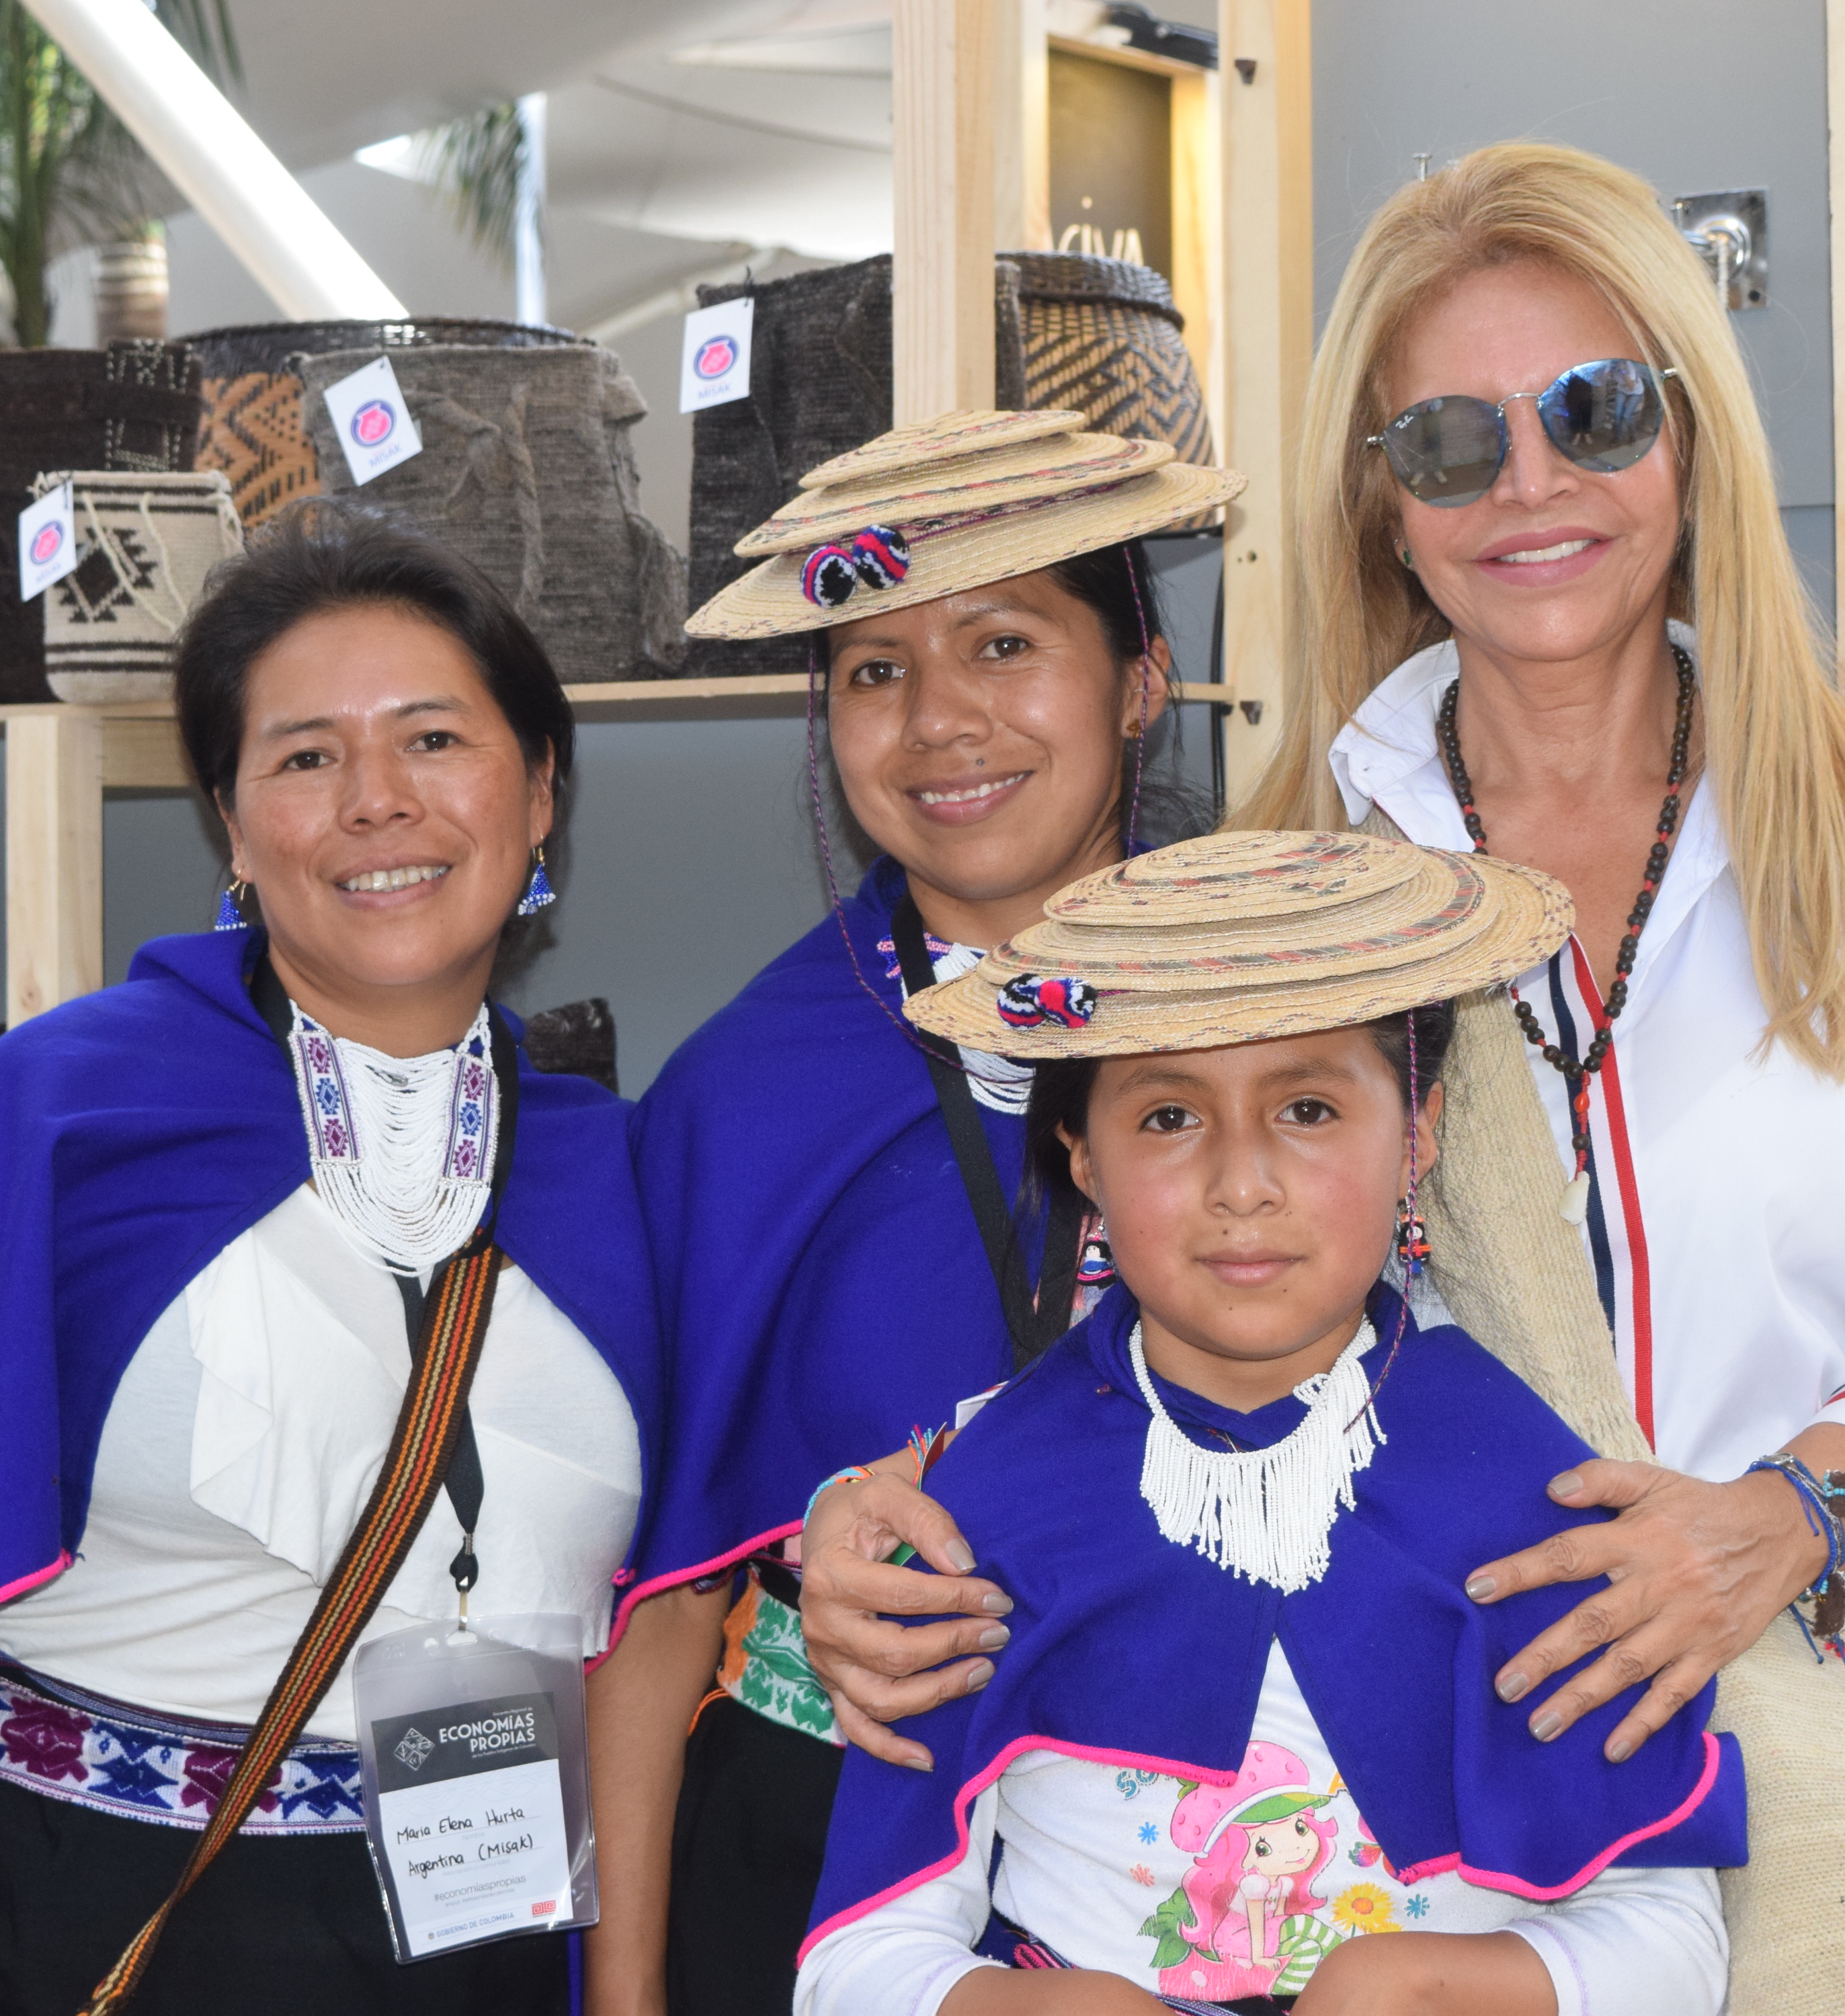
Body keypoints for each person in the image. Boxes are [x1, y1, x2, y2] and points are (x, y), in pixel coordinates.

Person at [798, 144, 1845, 2011]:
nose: (1532, 485)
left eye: (1593, 408)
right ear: (1381, 505)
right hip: (1442, 1785)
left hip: (1829, 1719)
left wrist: (1780, 1520)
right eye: (1447, 443)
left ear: (1694, 432)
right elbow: (1167, 1306)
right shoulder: (1294, 866)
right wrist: (897, 1510)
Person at [0, 505, 690, 2016]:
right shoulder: (58, 1118)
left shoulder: (627, 1169)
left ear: (540, 794)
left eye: (434, 741)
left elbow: (673, 1609)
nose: (374, 803)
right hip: (72, 1922)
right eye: (305, 756)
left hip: (485, 1945)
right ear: (230, 822)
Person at [794, 829, 1739, 2016]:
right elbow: (855, 1964)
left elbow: (1671, 1935)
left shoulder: (1537, 1500)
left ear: (1420, 1133)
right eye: (1168, 1120)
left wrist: (1419, 1993)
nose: (1244, 1184)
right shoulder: (974, 1513)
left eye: (1305, 1106)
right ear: (1078, 1152)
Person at [618, 410, 1244, 2013]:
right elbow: (664, 1598)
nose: (939, 719)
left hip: (1232, 1842)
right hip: (829, 1842)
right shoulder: (742, 1096)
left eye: (1004, 642)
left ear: (1142, 677)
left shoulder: (1295, 1027)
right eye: (875, 669)